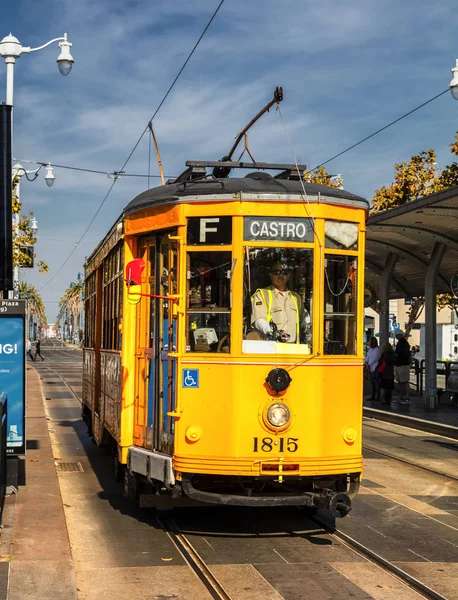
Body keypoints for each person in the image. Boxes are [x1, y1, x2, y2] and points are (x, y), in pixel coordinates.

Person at [251, 261, 311, 345]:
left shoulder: (296, 297)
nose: (280, 276)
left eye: (284, 272)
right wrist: (273, 332)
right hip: (272, 349)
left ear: (288, 276)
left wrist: (310, 336)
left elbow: (305, 320)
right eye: (276, 272)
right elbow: (259, 320)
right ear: (270, 275)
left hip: (293, 349)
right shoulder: (262, 295)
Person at [394, 330, 410, 404]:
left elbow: (405, 354)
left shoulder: (403, 343)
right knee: (401, 381)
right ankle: (402, 396)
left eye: (398, 335)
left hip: (403, 364)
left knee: (404, 381)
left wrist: (397, 355)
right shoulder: (400, 343)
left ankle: (406, 396)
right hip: (400, 364)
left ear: (401, 335)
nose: (397, 337)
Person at [364, 337, 381, 401]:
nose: (368, 342)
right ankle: (373, 395)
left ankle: (378, 396)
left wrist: (368, 364)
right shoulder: (370, 349)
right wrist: (365, 362)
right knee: (372, 383)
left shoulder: (377, 350)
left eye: (369, 341)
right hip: (370, 368)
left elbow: (375, 358)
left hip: (375, 368)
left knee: (376, 383)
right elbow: (367, 357)